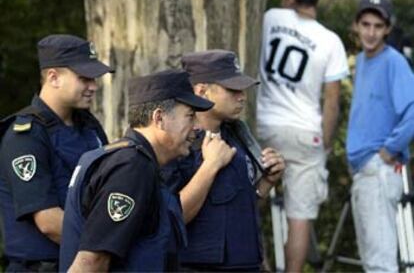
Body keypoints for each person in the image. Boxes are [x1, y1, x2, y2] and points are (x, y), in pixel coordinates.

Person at [59, 69, 214, 272]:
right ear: (159, 118)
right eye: (190, 116)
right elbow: (91, 262)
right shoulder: (131, 167)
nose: (197, 127)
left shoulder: (128, 159)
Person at [255, 0, 350, 271]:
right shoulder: (330, 40)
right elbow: (331, 102)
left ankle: (256, 263)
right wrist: (324, 141)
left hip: (265, 124)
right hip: (305, 131)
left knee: (249, 201)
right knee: (300, 217)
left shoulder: (269, 18)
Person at [161, 49, 285, 271]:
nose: (242, 96)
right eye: (233, 89)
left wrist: (267, 182)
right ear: (201, 91)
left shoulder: (238, 135)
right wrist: (210, 166)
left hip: (247, 261)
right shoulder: (177, 144)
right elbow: (172, 219)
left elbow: (237, 204)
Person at [0, 34, 111, 272]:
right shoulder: (25, 136)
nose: (93, 86)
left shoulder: (89, 127)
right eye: (84, 78)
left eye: (94, 78)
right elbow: (49, 222)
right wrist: (114, 243)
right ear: (53, 77)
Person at [347, 0, 414, 272]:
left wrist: (389, 149)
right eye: (366, 24)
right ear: (356, 26)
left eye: (378, 26)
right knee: (371, 262)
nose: (371, 32)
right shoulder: (362, 60)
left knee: (380, 265)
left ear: (387, 28)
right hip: (363, 170)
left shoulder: (394, 61)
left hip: (379, 169)